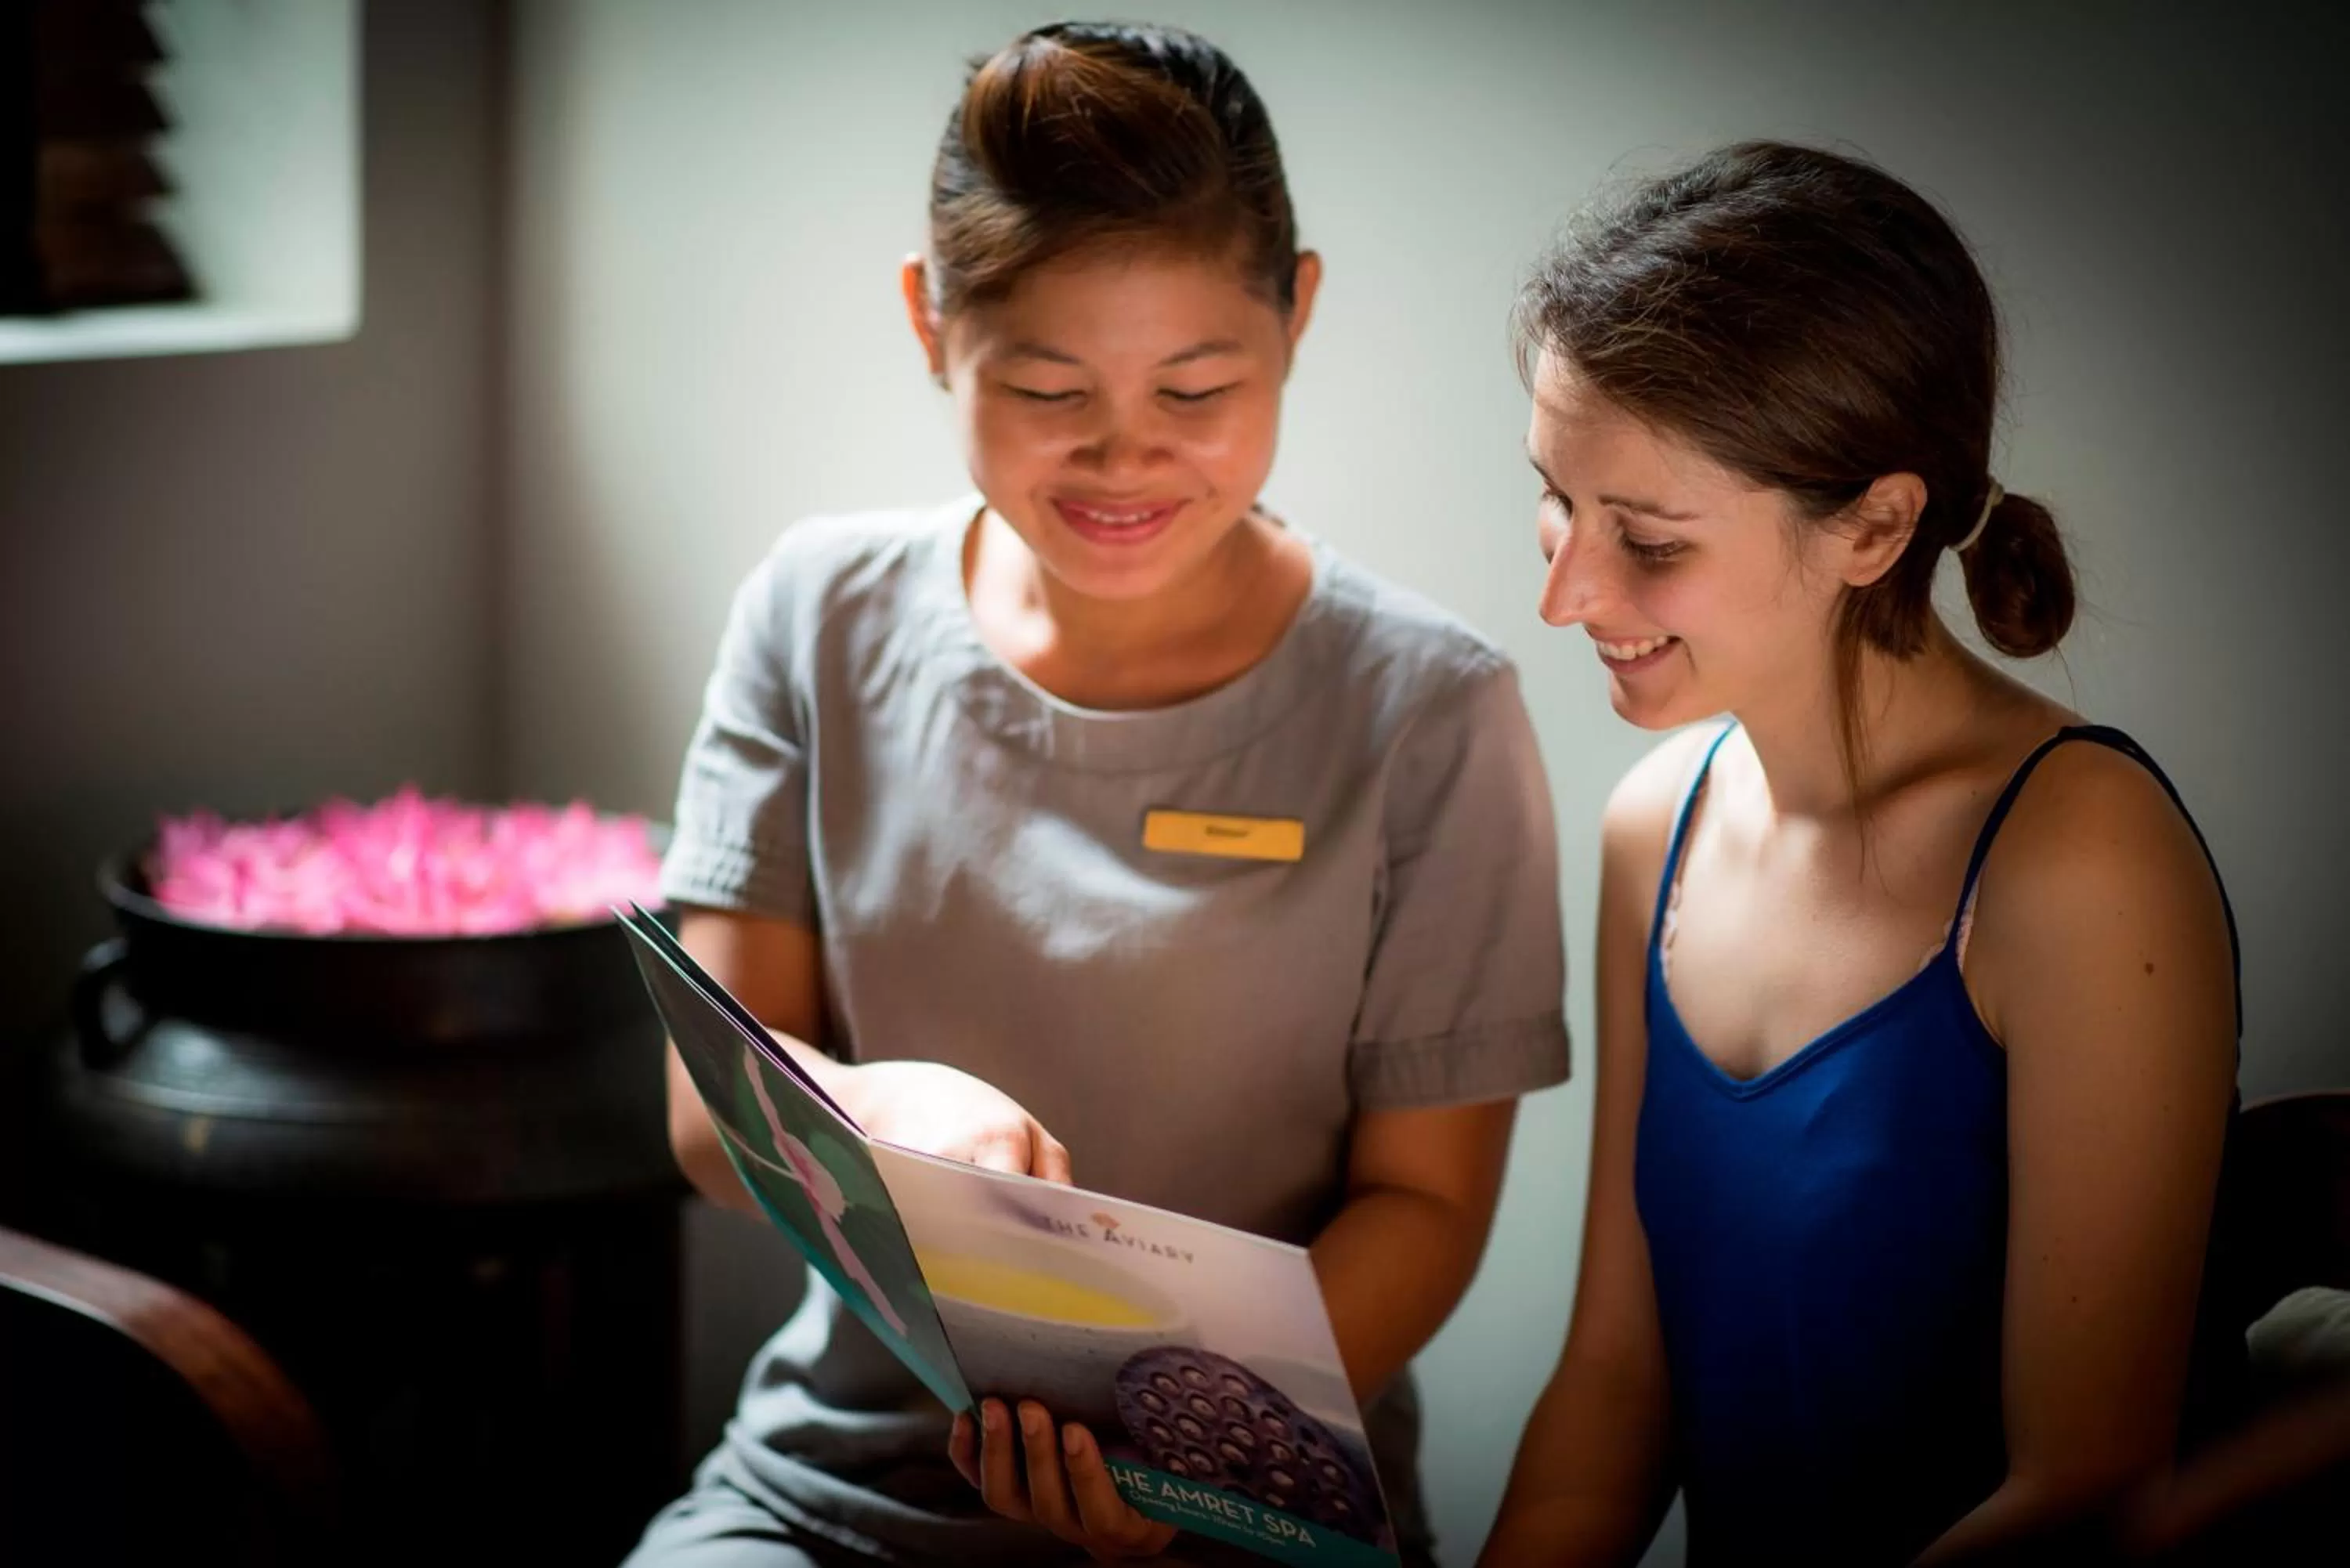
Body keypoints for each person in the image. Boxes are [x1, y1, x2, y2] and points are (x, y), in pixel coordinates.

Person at [624, 23, 1571, 1568]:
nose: (1126, 453)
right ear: (932, 324)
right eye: (1051, 388)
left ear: (1300, 316)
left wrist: (1179, 1459)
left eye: (1199, 386)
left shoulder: (1427, 710)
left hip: (1241, 1504)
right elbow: (709, 1112)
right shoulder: (817, 614)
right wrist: (884, 1111)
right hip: (837, 1496)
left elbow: (1425, 1207)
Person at [1480, 141, 2244, 1567]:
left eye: (1644, 536)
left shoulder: (2079, 863)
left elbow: (2082, 1492)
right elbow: (1616, 1383)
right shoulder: (1656, 826)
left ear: (1876, 526)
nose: (1564, 588)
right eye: (1557, 497)